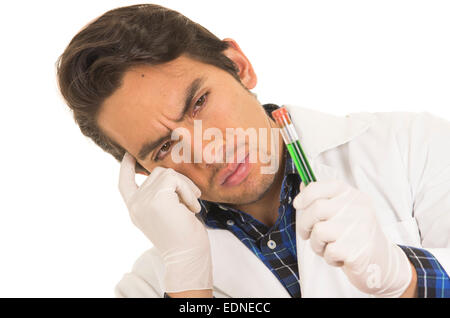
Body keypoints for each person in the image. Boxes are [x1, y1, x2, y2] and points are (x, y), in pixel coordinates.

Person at [56, 4, 450, 298]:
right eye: (163, 147)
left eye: (199, 103)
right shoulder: (151, 285)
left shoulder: (413, 146)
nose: (208, 153)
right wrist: (190, 283)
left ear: (238, 66)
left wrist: (405, 278)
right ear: (142, 174)